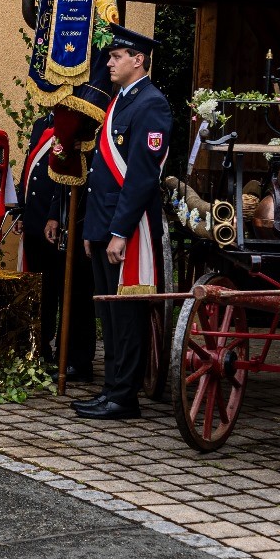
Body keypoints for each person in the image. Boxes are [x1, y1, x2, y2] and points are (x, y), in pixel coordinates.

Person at [75, 27, 172, 420]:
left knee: (127, 314)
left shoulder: (152, 104)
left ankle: (124, 395)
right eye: (110, 56)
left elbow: (141, 177)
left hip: (129, 228)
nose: (109, 63)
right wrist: (92, 231)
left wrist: (118, 232)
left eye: (116, 57)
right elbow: (100, 173)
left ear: (139, 60)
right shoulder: (121, 101)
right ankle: (111, 388)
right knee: (109, 314)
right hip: (104, 224)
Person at [17, 110, 96, 381]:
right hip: (36, 218)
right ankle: (42, 348)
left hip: (63, 219)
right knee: (44, 290)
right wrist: (21, 208)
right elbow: (30, 167)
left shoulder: (81, 123)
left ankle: (75, 357)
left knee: (72, 293)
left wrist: (54, 213)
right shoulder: (42, 123)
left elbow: (69, 173)